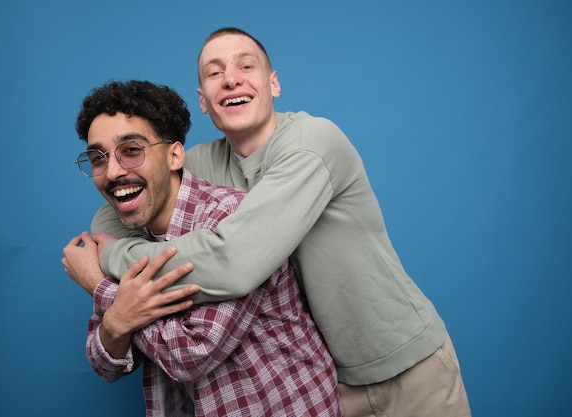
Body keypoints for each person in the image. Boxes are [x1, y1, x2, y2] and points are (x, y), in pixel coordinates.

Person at [87, 28, 472, 416]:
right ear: (203, 101)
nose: (231, 78)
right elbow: (117, 206)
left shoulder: (312, 142)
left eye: (246, 66)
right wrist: (113, 250)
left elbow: (235, 264)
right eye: (214, 72)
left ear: (274, 83)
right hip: (333, 379)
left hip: (409, 366)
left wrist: (108, 265)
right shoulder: (201, 162)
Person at [62, 80, 343, 417]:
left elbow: (191, 355)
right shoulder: (120, 238)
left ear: (175, 155)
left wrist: (99, 287)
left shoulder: (229, 218)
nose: (113, 172)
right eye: (97, 158)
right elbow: (106, 364)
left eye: (132, 151)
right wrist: (117, 318)